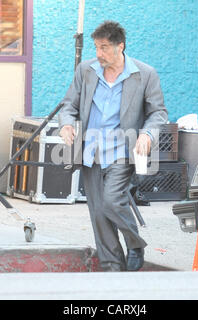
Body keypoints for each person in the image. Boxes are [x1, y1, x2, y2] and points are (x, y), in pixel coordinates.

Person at [59, 21, 168, 271]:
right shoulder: (86, 70)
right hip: (90, 152)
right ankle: (112, 266)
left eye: (105, 48)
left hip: (123, 151)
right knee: (98, 214)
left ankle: (135, 243)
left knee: (112, 201)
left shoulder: (144, 74)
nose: (99, 54)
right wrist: (66, 124)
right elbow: (69, 105)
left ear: (121, 46)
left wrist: (147, 135)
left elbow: (158, 113)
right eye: (96, 47)